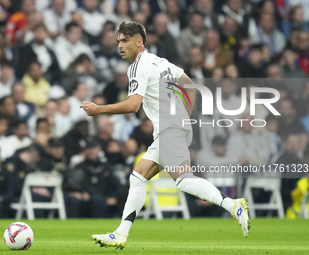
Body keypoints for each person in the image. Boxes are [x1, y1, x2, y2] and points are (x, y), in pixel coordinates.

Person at [81, 21, 251, 249]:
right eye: (118, 41)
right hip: (174, 127)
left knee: (182, 180)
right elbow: (190, 86)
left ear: (139, 42)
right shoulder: (159, 60)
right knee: (138, 177)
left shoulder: (138, 66)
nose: (120, 45)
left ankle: (232, 205)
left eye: (125, 40)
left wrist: (98, 109)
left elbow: (133, 106)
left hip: (170, 129)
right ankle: (121, 233)